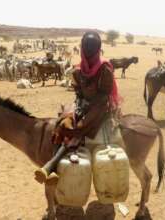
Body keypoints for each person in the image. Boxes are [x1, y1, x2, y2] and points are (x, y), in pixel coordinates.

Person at [34, 31, 121, 184]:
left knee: (78, 129)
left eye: (90, 48)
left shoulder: (105, 69)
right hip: (83, 104)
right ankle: (53, 170)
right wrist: (78, 107)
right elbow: (78, 93)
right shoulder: (78, 70)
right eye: (86, 47)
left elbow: (104, 96)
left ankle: (52, 166)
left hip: (100, 108)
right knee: (62, 123)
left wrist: (85, 112)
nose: (87, 50)